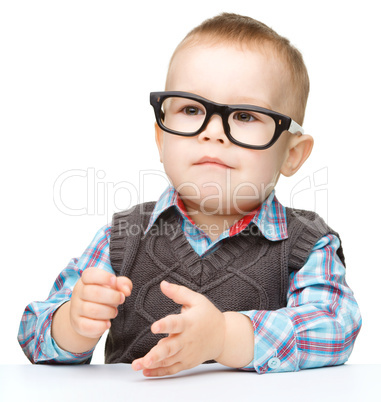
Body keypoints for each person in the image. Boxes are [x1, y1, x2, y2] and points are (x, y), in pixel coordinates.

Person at [18, 12, 361, 377]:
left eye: (245, 115)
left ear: (292, 154)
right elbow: (32, 332)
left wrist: (225, 337)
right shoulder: (122, 238)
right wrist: (73, 325)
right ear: (160, 138)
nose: (213, 132)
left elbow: (335, 326)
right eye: (191, 109)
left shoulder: (305, 245)